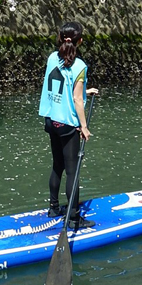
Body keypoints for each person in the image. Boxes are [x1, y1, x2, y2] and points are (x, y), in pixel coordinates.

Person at [39, 22, 98, 230]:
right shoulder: (79, 65)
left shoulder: (52, 58)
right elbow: (76, 99)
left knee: (58, 165)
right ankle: (73, 218)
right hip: (67, 124)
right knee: (73, 172)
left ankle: (53, 207)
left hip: (51, 121)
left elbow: (62, 84)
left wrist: (85, 91)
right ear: (80, 40)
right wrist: (83, 126)